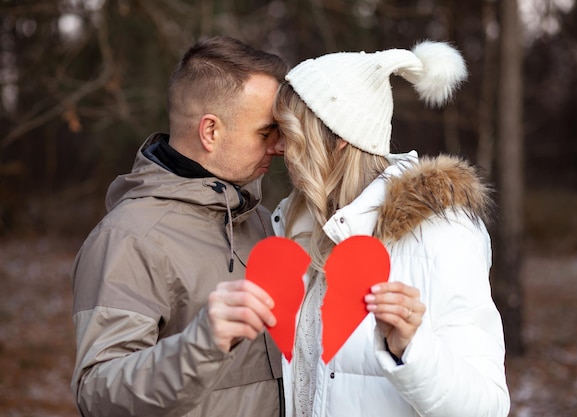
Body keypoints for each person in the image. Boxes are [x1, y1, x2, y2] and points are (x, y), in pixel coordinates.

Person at [271, 41, 511, 416]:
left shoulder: (441, 233)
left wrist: (411, 347)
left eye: (290, 132)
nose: (279, 148)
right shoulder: (293, 229)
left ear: (337, 141)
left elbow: (488, 405)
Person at [70, 36, 289, 417]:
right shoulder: (128, 238)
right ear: (210, 131)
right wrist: (202, 344)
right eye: (265, 132)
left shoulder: (261, 220)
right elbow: (98, 394)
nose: (280, 146)